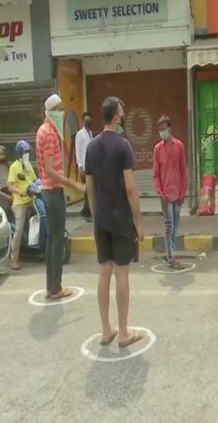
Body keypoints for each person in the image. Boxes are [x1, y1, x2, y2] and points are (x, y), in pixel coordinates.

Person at [85, 96, 145, 347]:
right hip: (120, 219)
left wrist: (96, 215)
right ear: (118, 117)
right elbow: (130, 189)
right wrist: (139, 222)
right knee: (122, 272)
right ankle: (123, 332)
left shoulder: (91, 146)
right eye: (123, 113)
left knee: (104, 271)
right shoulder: (123, 146)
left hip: (101, 220)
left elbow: (89, 188)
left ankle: (105, 330)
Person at [36, 93, 85, 300]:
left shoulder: (45, 130)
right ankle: (55, 288)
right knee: (57, 241)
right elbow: (50, 170)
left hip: (49, 191)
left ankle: (52, 286)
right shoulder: (48, 133)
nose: (62, 112)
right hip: (53, 191)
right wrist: (72, 183)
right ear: (50, 111)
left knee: (52, 240)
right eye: (59, 109)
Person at [153, 115, 188, 269]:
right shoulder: (157, 149)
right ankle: (170, 256)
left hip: (177, 193)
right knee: (169, 227)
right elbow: (156, 174)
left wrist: (183, 192)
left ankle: (172, 252)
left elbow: (183, 170)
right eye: (159, 130)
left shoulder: (179, 146)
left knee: (176, 226)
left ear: (169, 128)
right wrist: (160, 194)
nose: (162, 132)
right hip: (166, 195)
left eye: (164, 129)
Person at [7, 140, 37, 271]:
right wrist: (22, 192)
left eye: (28, 152)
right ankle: (14, 260)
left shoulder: (28, 165)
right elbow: (10, 186)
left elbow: (35, 180)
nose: (27, 154)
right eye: (25, 152)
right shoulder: (14, 167)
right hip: (20, 202)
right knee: (19, 230)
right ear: (20, 153)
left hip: (32, 199)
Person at [75, 112, 94, 223]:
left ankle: (85, 210)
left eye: (89, 120)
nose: (88, 121)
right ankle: (87, 212)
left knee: (89, 189)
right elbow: (78, 151)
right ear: (83, 121)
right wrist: (80, 166)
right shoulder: (80, 134)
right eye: (86, 120)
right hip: (84, 166)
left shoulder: (90, 133)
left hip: (90, 166)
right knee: (88, 189)